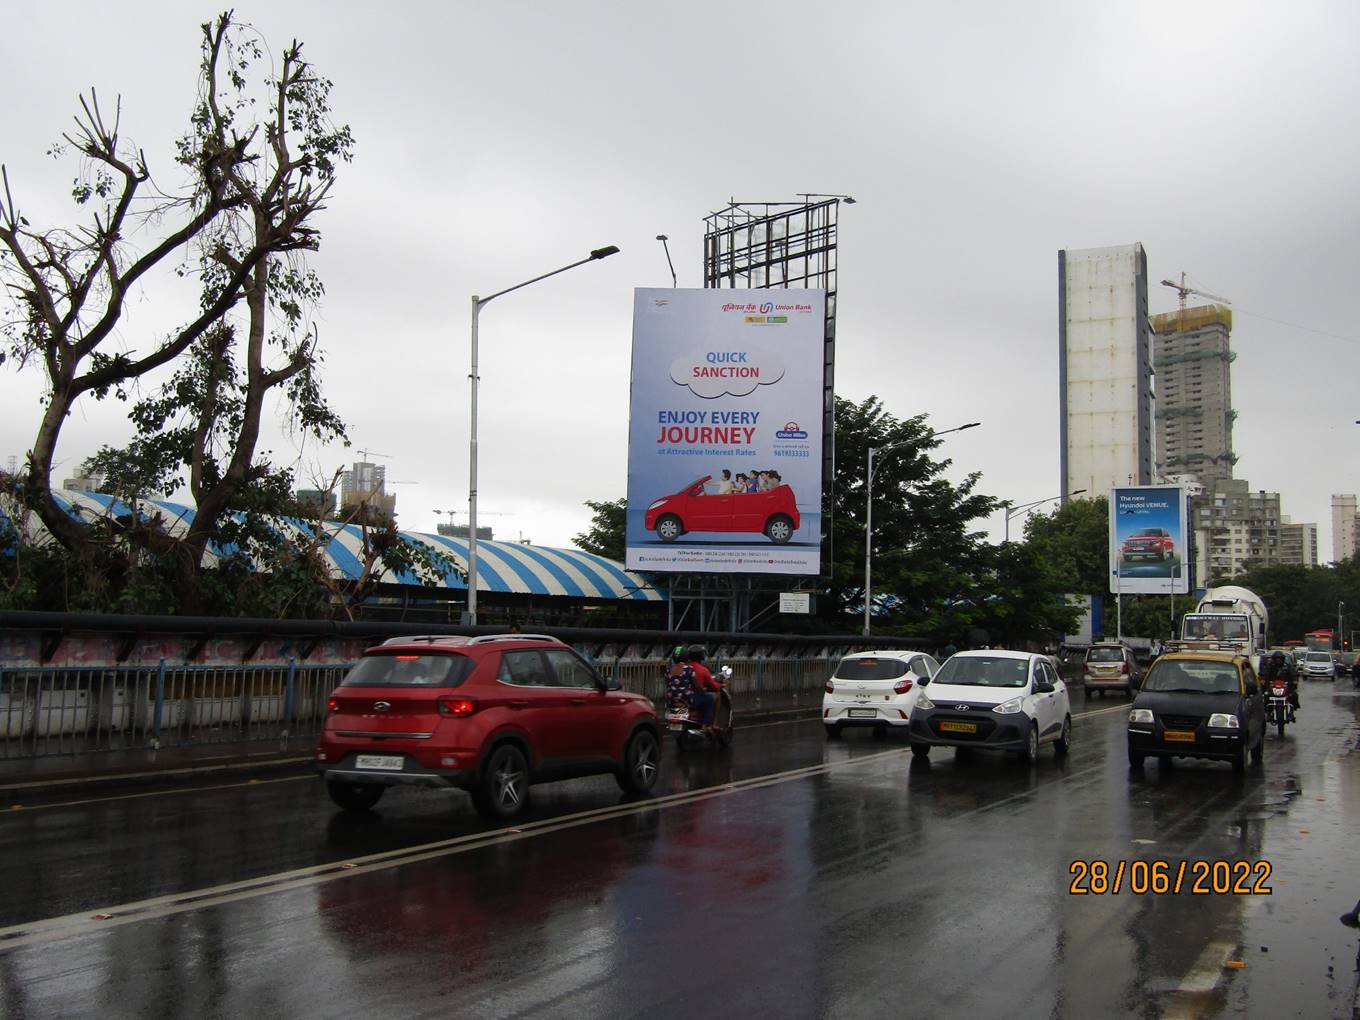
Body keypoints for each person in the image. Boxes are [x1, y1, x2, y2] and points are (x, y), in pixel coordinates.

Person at [682, 645, 720, 730]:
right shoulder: (703, 669)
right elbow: (713, 686)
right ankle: (707, 725)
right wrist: (719, 685)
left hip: (682, 697)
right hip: (694, 697)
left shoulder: (683, 668)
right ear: (701, 656)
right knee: (711, 698)